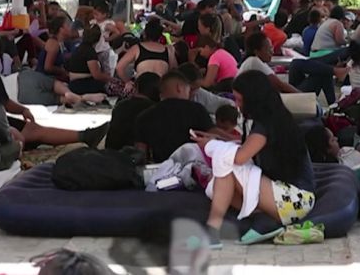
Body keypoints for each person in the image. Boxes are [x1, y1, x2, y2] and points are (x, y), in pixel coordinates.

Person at [192, 70, 315, 249]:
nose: (236, 105)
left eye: (239, 100)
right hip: (286, 196)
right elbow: (246, 147)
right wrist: (215, 140)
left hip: (295, 199)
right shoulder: (274, 118)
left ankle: (212, 230)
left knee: (227, 165)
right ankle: (259, 221)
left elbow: (240, 157)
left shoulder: (266, 125)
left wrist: (211, 146)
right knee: (222, 171)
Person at [135, 71, 215, 163]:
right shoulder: (197, 110)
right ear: (179, 88)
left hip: (161, 167)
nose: (189, 94)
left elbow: (140, 152)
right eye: (188, 90)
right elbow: (212, 136)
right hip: (193, 166)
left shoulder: (144, 116)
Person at [18, 17, 91, 106]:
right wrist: (62, 71)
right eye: (68, 25)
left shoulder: (62, 43)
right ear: (61, 29)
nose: (71, 28)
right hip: (46, 78)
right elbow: (47, 67)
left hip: (56, 76)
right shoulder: (54, 44)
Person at [106, 72, 160, 150]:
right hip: (137, 153)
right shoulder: (156, 110)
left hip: (113, 151)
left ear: (136, 88)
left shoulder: (121, 105)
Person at [116, 19, 177, 86]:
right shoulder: (169, 49)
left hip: (142, 88)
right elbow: (174, 72)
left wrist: (128, 82)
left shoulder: (137, 48)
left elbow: (119, 67)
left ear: (145, 34)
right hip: (161, 88)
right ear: (160, 36)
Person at [67, 25, 113, 94]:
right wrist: (110, 78)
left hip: (75, 83)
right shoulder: (89, 52)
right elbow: (96, 75)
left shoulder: (79, 48)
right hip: (81, 84)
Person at [91, 2, 120, 75]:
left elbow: (117, 32)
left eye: (97, 14)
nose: (94, 16)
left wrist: (109, 39)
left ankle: (107, 79)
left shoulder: (106, 24)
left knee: (105, 67)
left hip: (103, 49)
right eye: (94, 14)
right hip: (94, 49)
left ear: (104, 14)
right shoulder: (93, 22)